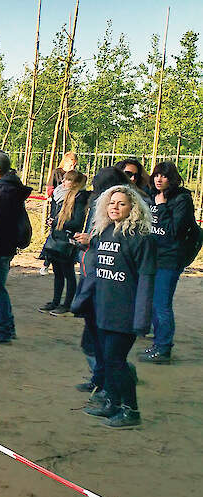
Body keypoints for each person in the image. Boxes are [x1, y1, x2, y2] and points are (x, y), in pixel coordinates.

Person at [74, 184, 156, 429]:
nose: (115, 207)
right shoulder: (102, 233)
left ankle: (131, 411)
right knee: (106, 359)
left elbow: (146, 279)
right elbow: (94, 273)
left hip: (125, 311)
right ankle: (112, 402)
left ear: (133, 207)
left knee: (115, 360)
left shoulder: (142, 239)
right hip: (101, 308)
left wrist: (142, 318)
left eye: (121, 203)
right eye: (111, 203)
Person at [71, 167, 132, 395]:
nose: (114, 206)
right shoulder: (99, 206)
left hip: (107, 287)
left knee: (106, 346)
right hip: (92, 278)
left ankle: (113, 386)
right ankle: (101, 380)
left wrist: (91, 240)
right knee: (93, 340)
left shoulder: (127, 230)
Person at [140, 161, 196, 364]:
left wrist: (162, 207)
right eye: (156, 175)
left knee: (161, 304)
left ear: (171, 179)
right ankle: (158, 343)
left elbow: (176, 231)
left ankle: (164, 348)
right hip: (152, 257)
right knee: (153, 304)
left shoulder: (181, 199)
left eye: (163, 176)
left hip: (170, 258)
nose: (158, 179)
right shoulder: (150, 196)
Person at [0, 152, 30, 344]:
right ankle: (5, 326)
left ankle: (4, 330)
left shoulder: (3, 193)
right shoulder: (5, 189)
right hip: (3, 247)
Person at [39, 170, 89, 315]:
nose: (63, 182)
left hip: (67, 240)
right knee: (57, 272)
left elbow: (77, 222)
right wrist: (53, 221)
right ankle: (55, 302)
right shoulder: (60, 195)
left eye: (67, 180)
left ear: (75, 183)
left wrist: (59, 223)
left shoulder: (79, 198)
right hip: (56, 238)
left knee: (68, 273)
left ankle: (67, 304)